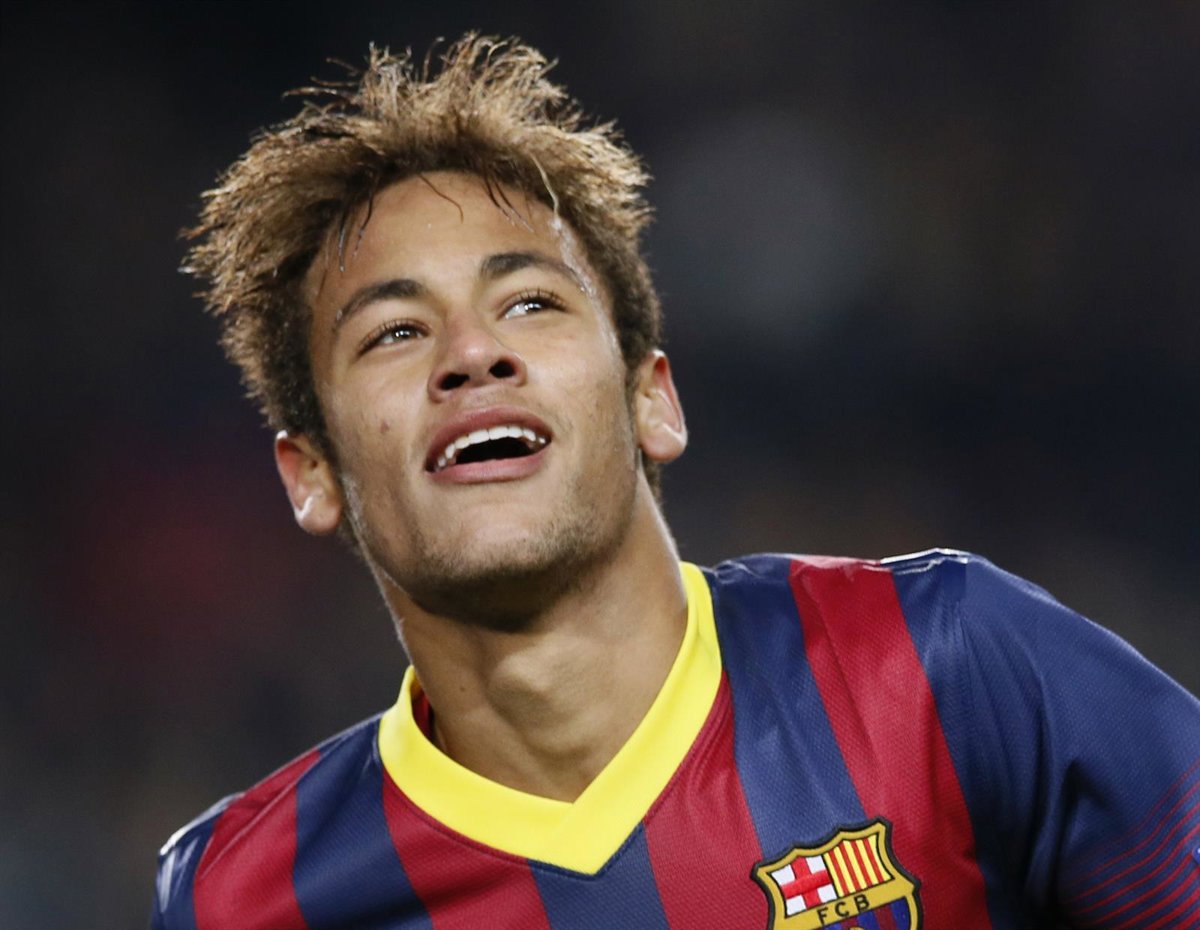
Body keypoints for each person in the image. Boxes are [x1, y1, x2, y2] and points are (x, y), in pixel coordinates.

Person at [152, 35, 1200, 930]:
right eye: (394, 331)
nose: (471, 354)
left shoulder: (943, 671)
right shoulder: (245, 897)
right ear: (314, 474)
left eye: (531, 304)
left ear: (653, 399)